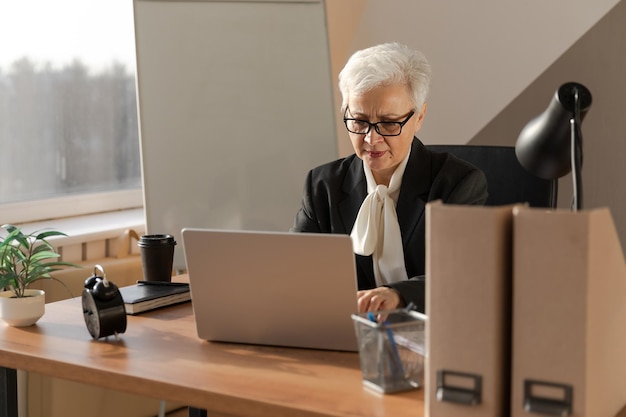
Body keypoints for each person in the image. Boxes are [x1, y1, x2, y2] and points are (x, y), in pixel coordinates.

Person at [291, 42, 487, 314]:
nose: (372, 139)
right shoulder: (322, 185)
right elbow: (295, 273)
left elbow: (464, 276)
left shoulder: (458, 183)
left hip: (434, 336)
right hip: (345, 334)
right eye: (359, 122)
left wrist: (397, 295)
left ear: (419, 116)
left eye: (389, 123)